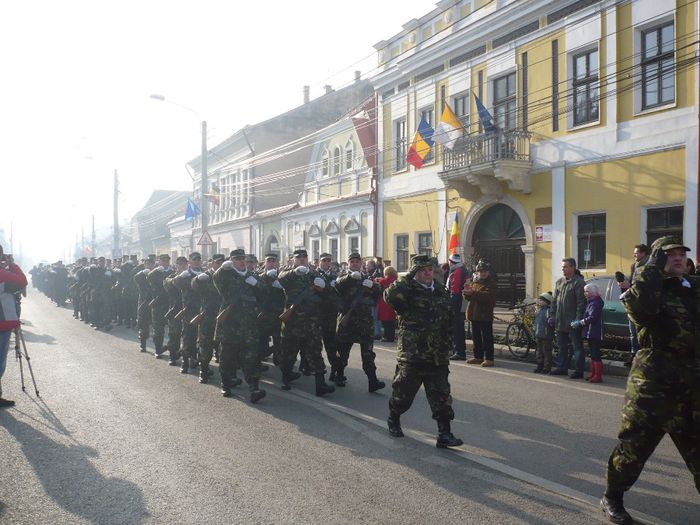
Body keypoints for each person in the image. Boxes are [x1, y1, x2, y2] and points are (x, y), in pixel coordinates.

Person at [601, 235, 700, 524]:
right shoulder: (645, 292)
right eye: (670, 254)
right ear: (657, 260)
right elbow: (642, 311)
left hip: (692, 386)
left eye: (682, 253)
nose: (678, 257)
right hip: (652, 387)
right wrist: (650, 271)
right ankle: (612, 497)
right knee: (633, 450)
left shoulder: (694, 287)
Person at [384, 254, 463, 448]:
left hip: (437, 355)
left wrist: (448, 341)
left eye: (430, 270)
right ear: (415, 273)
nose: (428, 273)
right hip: (413, 355)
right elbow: (390, 297)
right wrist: (406, 278)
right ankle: (394, 418)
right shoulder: (407, 291)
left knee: (442, 397)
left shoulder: (440, 292)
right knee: (403, 395)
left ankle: (444, 433)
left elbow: (448, 318)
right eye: (422, 270)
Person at [277, 249, 334, 396]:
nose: (302, 259)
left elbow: (327, 291)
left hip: (312, 321)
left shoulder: (314, 274)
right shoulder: (288, 273)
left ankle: (320, 384)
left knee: (315, 352)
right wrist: (294, 272)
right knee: (289, 351)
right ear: (293, 260)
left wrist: (324, 285)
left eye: (304, 257)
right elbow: (281, 279)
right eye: (298, 258)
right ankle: (285, 378)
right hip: (293, 321)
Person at [213, 249, 266, 402]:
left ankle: (254, 388)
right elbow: (216, 279)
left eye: (243, 258)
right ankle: (226, 383)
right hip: (230, 324)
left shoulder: (251, 276)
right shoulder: (226, 275)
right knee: (227, 356)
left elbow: (264, 293)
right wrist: (224, 267)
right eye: (237, 259)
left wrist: (257, 284)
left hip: (249, 325)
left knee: (251, 358)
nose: (241, 261)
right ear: (232, 261)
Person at [334, 252, 385, 391]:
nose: (355, 264)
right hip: (348, 321)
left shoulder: (366, 278)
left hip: (365, 322)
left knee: (368, 354)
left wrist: (373, 286)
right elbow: (337, 286)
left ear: (361, 263)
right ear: (348, 263)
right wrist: (350, 278)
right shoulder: (342, 277)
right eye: (352, 262)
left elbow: (379, 293)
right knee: (343, 352)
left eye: (357, 262)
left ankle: (372, 381)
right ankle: (339, 375)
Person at [549, 257, 586, 378]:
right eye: (562, 267)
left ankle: (579, 371)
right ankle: (562, 368)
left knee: (577, 347)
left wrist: (578, 319)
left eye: (565, 267)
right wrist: (552, 315)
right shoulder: (559, 282)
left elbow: (581, 303)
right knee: (561, 347)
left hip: (572, 321)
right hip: (560, 321)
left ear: (572, 267)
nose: (563, 269)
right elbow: (554, 301)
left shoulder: (579, 282)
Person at [0, 247, 28, 408]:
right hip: (3, 322)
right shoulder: (3, 273)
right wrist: (13, 265)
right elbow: (22, 281)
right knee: (0, 362)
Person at [463, 260, 497, 367]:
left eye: (484, 271)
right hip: (474, 314)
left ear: (488, 272)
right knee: (476, 337)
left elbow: (488, 297)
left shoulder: (491, 283)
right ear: (477, 272)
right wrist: (466, 293)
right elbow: (469, 298)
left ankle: (489, 358)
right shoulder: (475, 282)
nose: (482, 273)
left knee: (487, 338)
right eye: (480, 271)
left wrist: (473, 293)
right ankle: (478, 357)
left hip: (485, 315)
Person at [571, 283, 604, 383]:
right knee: (593, 354)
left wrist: (580, 322)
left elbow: (592, 318)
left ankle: (598, 375)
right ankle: (593, 373)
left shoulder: (596, 303)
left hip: (594, 332)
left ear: (593, 292)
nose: (585, 293)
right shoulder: (591, 302)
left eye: (587, 291)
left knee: (595, 353)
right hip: (590, 332)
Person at [626, 244, 649, 365]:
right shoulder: (633, 266)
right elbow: (631, 283)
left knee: (643, 334)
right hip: (633, 304)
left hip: (643, 305)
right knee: (633, 334)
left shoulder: (649, 267)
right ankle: (634, 354)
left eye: (637, 253)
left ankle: (642, 356)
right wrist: (626, 286)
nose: (634, 255)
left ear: (644, 253)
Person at [446, 253, 468, 361]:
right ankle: (460, 350)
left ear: (451, 262)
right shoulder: (463, 269)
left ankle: (459, 352)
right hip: (463, 302)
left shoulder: (457, 271)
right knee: (459, 326)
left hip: (458, 302)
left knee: (457, 327)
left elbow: (455, 290)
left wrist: (450, 305)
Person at [532, 292, 554, 374]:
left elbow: (552, 319)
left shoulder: (549, 310)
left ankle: (547, 367)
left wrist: (551, 320)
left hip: (547, 335)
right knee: (539, 351)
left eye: (541, 300)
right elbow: (536, 321)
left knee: (547, 351)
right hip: (539, 334)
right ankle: (540, 365)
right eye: (539, 300)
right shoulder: (539, 310)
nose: (539, 301)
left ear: (547, 301)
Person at [376, 266, 397, 342]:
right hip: (393, 303)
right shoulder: (395, 280)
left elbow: (379, 284)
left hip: (384, 303)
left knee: (385, 322)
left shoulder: (384, 280)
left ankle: (387, 337)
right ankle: (391, 336)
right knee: (391, 322)